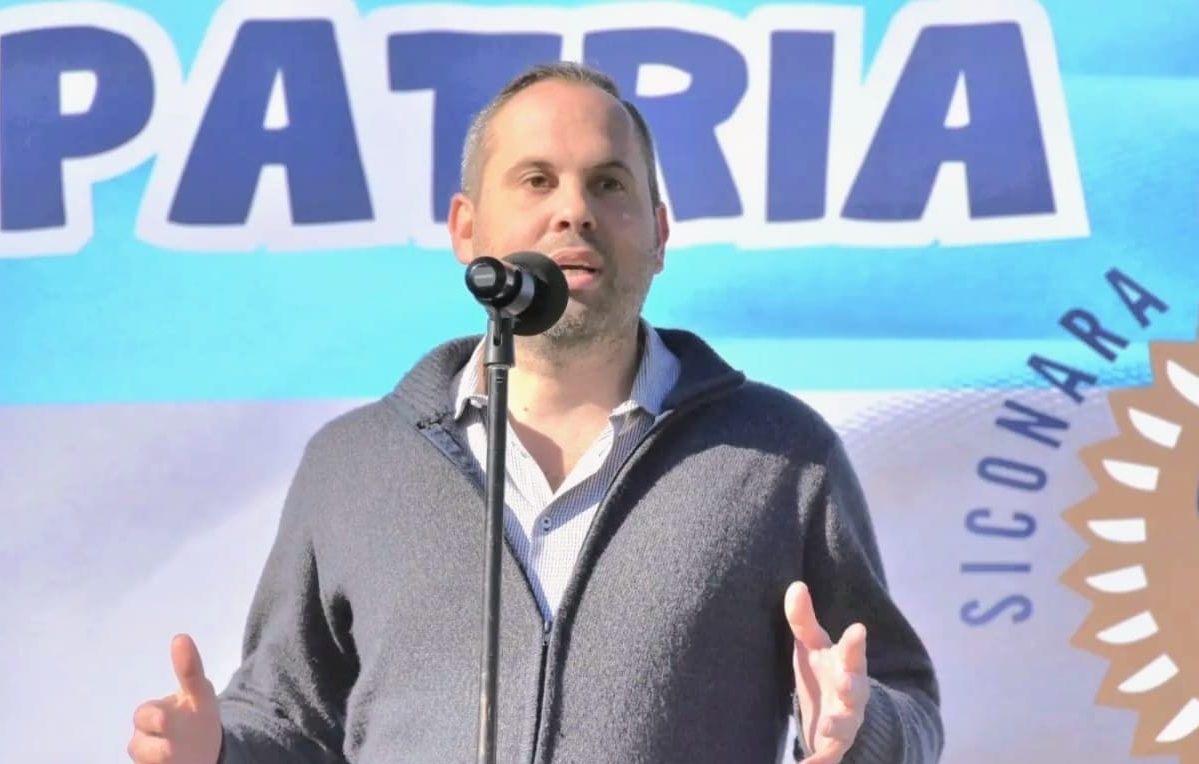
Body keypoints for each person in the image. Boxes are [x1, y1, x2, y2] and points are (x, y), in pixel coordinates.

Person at [127, 62, 942, 764]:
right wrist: (219, 749)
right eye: (536, 180)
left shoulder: (780, 455)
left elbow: (906, 706)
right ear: (466, 229)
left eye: (609, 184)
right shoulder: (353, 462)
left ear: (659, 235)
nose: (574, 211)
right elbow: (289, 720)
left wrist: (862, 725)